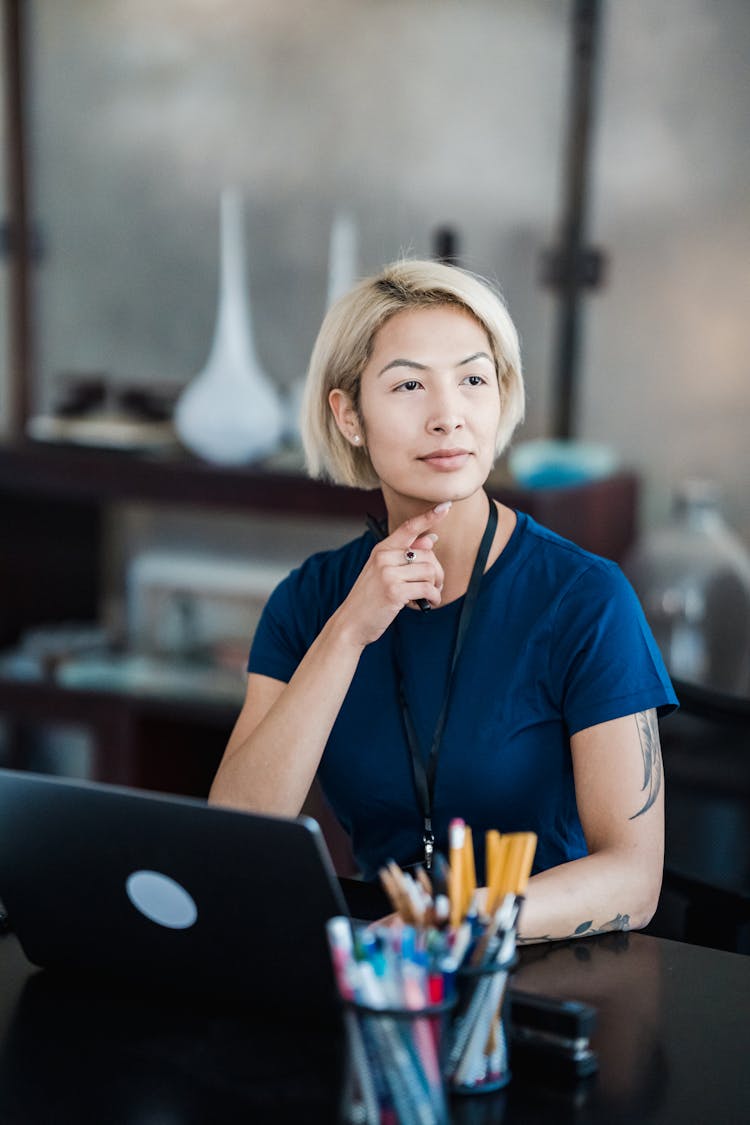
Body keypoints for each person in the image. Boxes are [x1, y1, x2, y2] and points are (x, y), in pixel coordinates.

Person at [209, 258, 677, 942]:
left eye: (473, 380)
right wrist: (348, 632)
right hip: (383, 968)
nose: (448, 416)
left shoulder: (585, 599)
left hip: (543, 968)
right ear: (349, 415)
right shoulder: (311, 599)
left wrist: (449, 922)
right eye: (407, 385)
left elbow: (634, 882)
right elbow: (238, 838)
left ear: (501, 398)